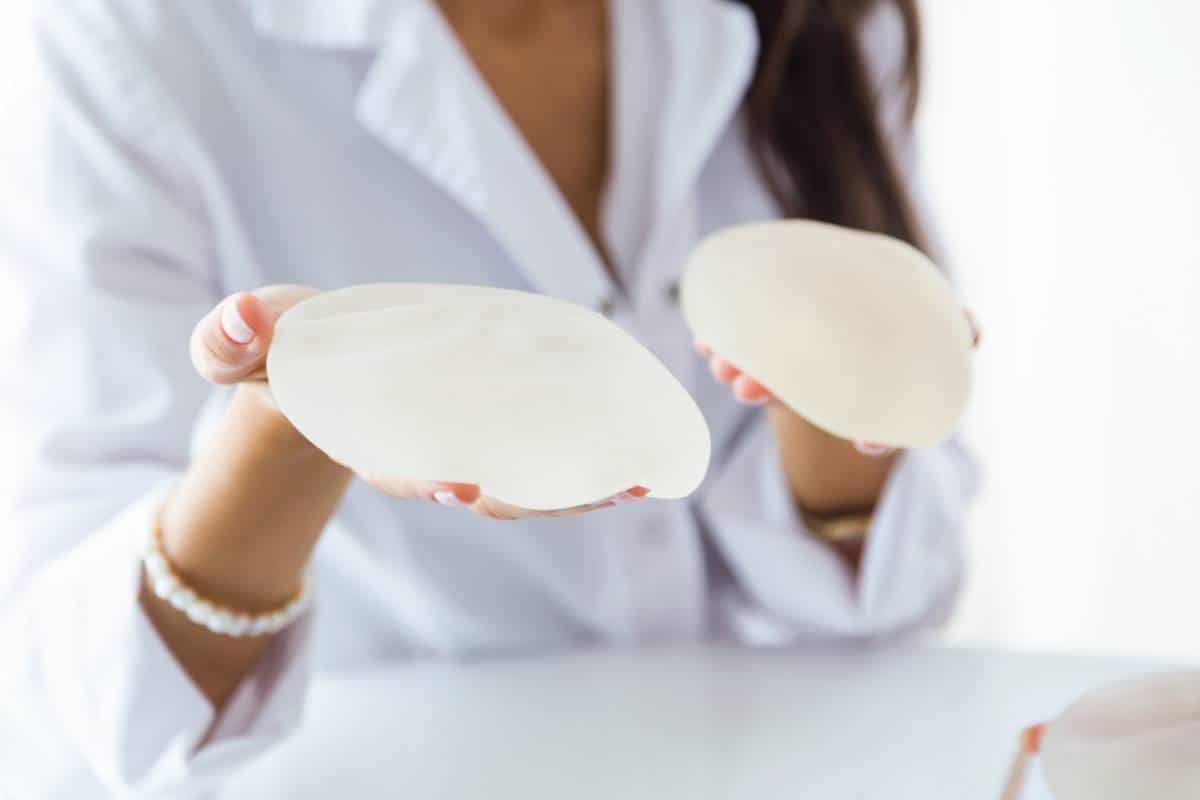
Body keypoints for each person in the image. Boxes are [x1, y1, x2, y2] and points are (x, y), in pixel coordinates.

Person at [0, 0, 978, 796]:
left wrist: (844, 380)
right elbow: (91, 705)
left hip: (775, 757)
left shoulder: (824, 22)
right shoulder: (131, 41)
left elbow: (893, 594)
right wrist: (294, 424)